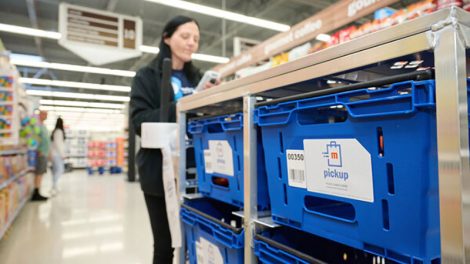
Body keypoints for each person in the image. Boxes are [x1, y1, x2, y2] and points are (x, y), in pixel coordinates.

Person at [130, 16, 217, 264]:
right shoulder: (146, 77)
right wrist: (184, 104)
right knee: (165, 245)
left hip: (197, 171)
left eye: (196, 39)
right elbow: (140, 122)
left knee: (196, 240)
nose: (192, 43)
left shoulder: (198, 77)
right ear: (167, 38)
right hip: (159, 174)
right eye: (185, 36)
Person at [31, 110, 50, 201]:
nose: (46, 116)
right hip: (41, 153)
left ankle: (38, 191)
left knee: (41, 173)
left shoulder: (43, 126)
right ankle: (36, 193)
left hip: (44, 153)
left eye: (46, 114)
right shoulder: (37, 126)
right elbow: (34, 139)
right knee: (39, 173)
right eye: (44, 114)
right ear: (40, 115)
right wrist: (38, 150)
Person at [50, 117, 66, 195]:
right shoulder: (59, 131)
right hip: (57, 154)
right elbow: (58, 144)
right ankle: (54, 186)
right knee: (60, 170)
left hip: (55, 154)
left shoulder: (55, 131)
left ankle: (54, 186)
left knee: (56, 171)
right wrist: (62, 155)